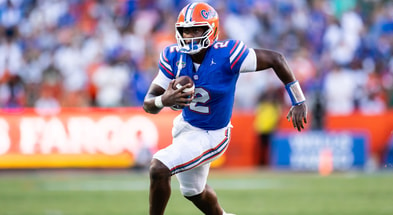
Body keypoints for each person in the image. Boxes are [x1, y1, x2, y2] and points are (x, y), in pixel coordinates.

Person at [143, 2, 307, 215]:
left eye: (197, 29)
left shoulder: (227, 54)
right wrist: (163, 100)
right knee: (193, 191)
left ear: (211, 30)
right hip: (185, 127)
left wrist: (298, 100)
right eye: (187, 30)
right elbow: (149, 103)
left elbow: (277, 59)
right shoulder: (172, 56)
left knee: (159, 168)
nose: (191, 35)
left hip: (212, 134)